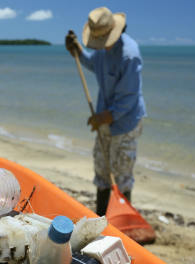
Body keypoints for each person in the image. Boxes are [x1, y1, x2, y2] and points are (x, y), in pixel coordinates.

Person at [65, 7, 146, 216]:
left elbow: (128, 99)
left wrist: (103, 117)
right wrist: (78, 52)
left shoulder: (129, 55)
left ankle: (122, 220)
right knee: (102, 170)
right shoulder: (102, 49)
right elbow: (94, 63)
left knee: (121, 174)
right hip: (104, 120)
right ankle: (101, 216)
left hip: (124, 124)